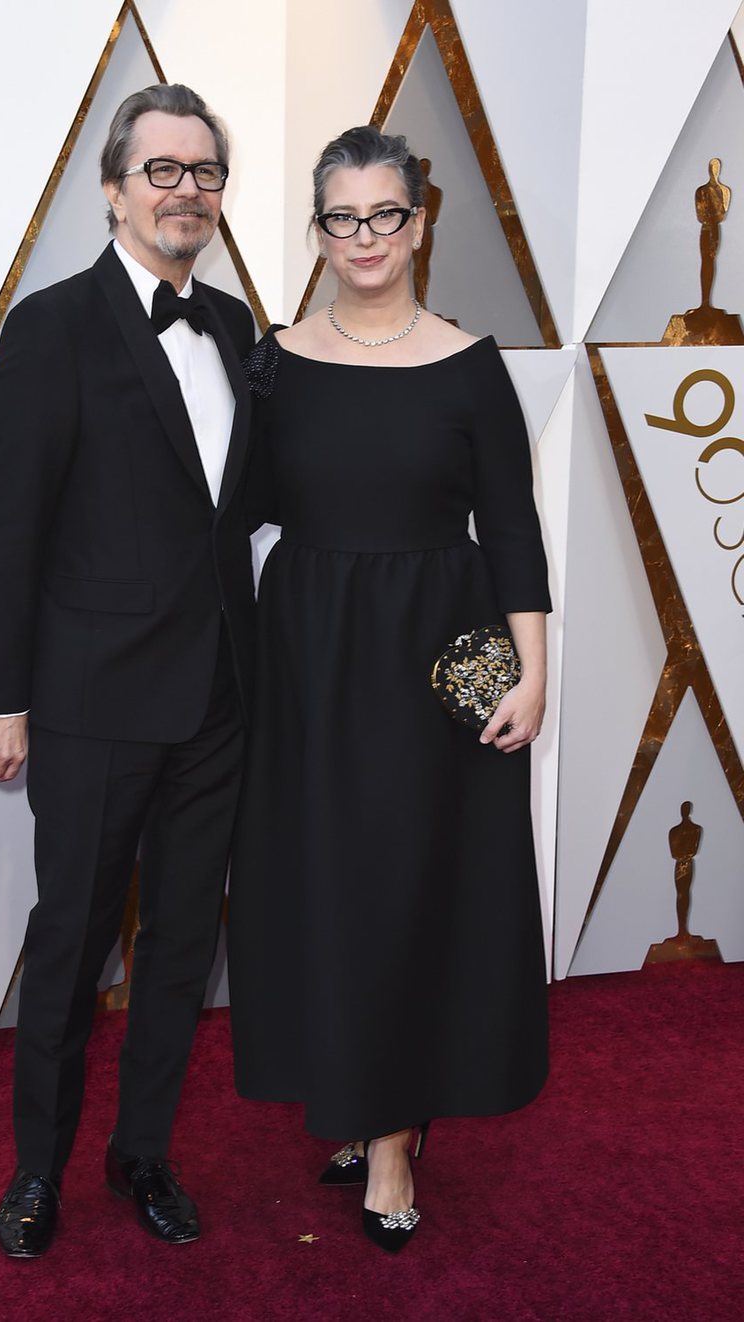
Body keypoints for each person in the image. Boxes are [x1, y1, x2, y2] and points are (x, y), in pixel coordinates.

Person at [228, 125, 550, 1254]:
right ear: (318, 232)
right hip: (310, 649)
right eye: (341, 217)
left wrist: (531, 673)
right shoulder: (274, 358)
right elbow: (236, 512)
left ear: (421, 222)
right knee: (330, 882)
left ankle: (399, 1136)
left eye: (386, 214)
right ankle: (359, 1102)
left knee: (420, 882)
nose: (364, 237)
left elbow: (510, 529)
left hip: (442, 652)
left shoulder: (471, 363)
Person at [0, 83, 256, 1257]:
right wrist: (1, 690)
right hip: (89, 702)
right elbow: (8, 521)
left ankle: (144, 1154)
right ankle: (38, 1170)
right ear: (115, 188)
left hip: (221, 699)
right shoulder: (52, 325)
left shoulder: (237, 327)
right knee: (73, 943)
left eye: (205, 172)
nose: (187, 190)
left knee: (184, 945)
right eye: (163, 170)